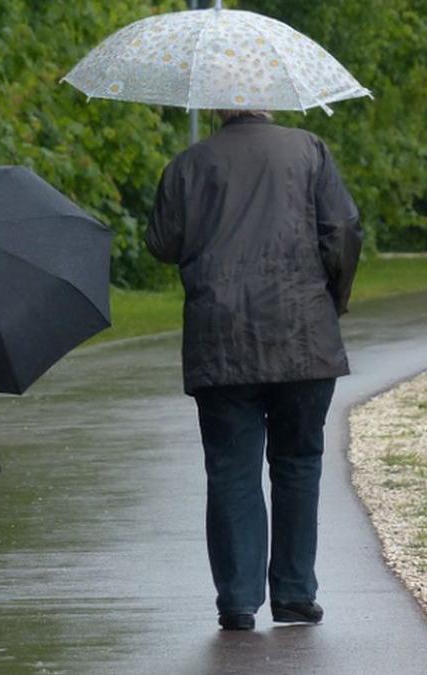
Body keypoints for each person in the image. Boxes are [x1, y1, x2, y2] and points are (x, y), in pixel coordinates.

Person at [145, 109, 362, 631]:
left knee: (231, 469)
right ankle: (293, 593)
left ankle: (239, 600)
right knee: (298, 463)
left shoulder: (187, 165)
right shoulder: (309, 150)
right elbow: (344, 231)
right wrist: (335, 298)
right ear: (272, 100)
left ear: (219, 106)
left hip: (220, 339)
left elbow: (161, 243)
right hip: (304, 334)